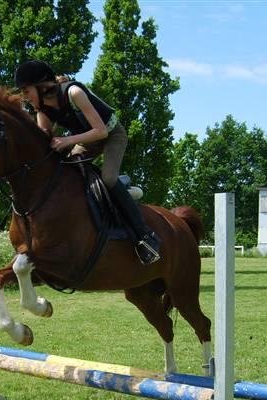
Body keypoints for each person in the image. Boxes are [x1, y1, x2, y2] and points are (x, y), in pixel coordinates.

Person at [14, 59, 162, 265]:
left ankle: (145, 236)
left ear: (40, 86)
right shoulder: (43, 109)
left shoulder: (74, 93)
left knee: (108, 179)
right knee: (65, 175)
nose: (24, 97)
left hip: (111, 135)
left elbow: (101, 131)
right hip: (86, 139)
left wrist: (67, 140)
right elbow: (45, 139)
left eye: (26, 91)